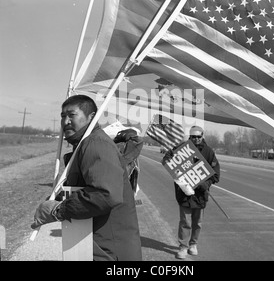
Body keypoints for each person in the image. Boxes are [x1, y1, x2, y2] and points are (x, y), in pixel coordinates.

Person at [31, 94, 142, 261]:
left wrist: (58, 210)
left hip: (109, 251)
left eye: (72, 115)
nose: (65, 121)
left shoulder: (95, 143)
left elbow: (105, 194)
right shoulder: (83, 145)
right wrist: (58, 199)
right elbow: (86, 187)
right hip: (93, 244)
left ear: (91, 117)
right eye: (62, 116)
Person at [163, 125, 220, 260]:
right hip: (184, 193)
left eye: (198, 137)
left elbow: (216, 175)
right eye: (193, 136)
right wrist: (169, 156)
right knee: (185, 222)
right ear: (190, 136)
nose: (195, 139)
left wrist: (206, 183)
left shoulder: (209, 152)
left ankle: (193, 244)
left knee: (197, 222)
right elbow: (167, 161)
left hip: (200, 195)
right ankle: (183, 247)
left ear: (202, 136)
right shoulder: (180, 149)